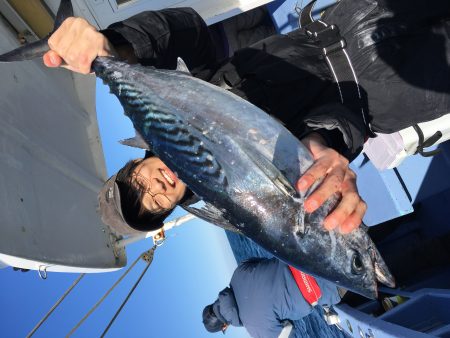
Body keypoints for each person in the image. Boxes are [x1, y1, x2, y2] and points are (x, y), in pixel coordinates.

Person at [42, 1, 449, 235]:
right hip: (387, 94)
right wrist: (321, 148)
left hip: (348, 20)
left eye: (137, 184)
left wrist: (118, 47)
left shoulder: (163, 106)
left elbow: (189, 32)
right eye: (155, 205)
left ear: (134, 162)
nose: (156, 188)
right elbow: (323, 162)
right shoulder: (240, 208)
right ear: (170, 209)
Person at [202, 257, 342, 337]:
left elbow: (288, 331)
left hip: (329, 287)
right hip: (312, 254)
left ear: (225, 325)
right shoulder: (238, 272)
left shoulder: (255, 328)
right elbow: (267, 262)